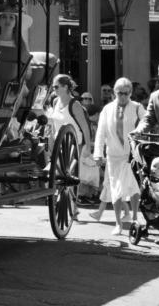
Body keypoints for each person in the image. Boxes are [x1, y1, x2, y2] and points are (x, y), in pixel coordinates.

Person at [93, 78, 143, 235]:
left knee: (133, 186)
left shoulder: (137, 107)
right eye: (119, 93)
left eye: (126, 93)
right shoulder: (107, 109)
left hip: (132, 154)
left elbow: (146, 121)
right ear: (115, 93)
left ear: (130, 92)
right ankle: (118, 224)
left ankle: (135, 217)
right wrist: (97, 153)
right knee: (115, 190)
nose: (122, 96)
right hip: (113, 155)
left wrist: (139, 130)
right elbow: (100, 133)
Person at [48, 74, 92, 219]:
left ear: (65, 87)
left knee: (67, 175)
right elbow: (54, 123)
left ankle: (72, 205)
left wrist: (87, 147)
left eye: (56, 86)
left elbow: (85, 128)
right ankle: (68, 204)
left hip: (74, 142)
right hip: (59, 142)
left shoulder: (75, 104)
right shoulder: (55, 101)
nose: (53, 89)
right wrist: (53, 139)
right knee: (58, 175)